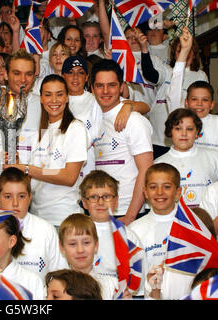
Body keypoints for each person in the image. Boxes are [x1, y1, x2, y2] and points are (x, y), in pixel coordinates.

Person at [5, 74, 88, 227]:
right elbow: (34, 180)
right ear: (41, 99)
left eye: (60, 94)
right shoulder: (40, 133)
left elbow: (69, 177)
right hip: (37, 218)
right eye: (48, 95)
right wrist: (18, 168)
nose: (54, 100)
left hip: (64, 219)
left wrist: (28, 169)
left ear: (67, 98)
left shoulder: (76, 128)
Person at [91, 59, 153, 225]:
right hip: (102, 211)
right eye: (99, 85)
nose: (105, 91)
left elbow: (146, 170)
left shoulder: (133, 121)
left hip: (128, 212)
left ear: (121, 87)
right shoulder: (95, 118)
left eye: (111, 85)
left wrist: (131, 216)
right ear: (92, 88)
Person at [140, 26, 208, 158]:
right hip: (158, 138)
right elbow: (150, 74)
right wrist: (144, 49)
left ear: (194, 54)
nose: (185, 55)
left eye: (188, 52)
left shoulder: (200, 75)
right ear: (174, 54)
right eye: (180, 51)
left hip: (184, 135)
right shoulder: (166, 70)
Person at [128, 162, 193, 299]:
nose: (159, 193)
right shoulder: (134, 230)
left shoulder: (191, 226)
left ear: (178, 192)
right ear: (145, 192)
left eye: (167, 187)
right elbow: (135, 285)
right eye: (153, 187)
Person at [79, 170, 146, 296]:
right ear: (84, 202)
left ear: (116, 201)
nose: (100, 202)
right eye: (93, 197)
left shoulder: (128, 236)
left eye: (106, 196)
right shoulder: (76, 233)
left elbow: (138, 281)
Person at [0, 167, 68, 279]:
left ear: (30, 197)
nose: (15, 203)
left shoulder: (46, 230)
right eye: (8, 196)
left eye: (21, 196)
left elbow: (60, 277)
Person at [0, 49, 41, 165]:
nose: (23, 79)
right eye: (17, 73)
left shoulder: (43, 105)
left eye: (28, 74)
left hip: (34, 178)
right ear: (6, 74)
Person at [155, 108, 218, 208]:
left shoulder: (214, 157)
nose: (184, 134)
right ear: (170, 131)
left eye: (189, 129)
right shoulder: (158, 164)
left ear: (197, 132)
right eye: (178, 129)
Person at [58, 213, 118, 300]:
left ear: (96, 245)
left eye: (86, 243)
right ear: (62, 247)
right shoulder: (55, 287)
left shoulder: (112, 285)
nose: (80, 250)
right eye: (72, 244)